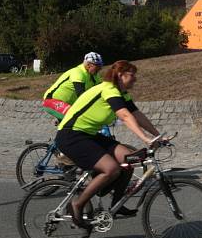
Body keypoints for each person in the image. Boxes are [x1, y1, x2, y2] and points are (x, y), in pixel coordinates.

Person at [55, 60, 161, 227]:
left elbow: (136, 114)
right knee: (111, 168)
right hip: (71, 135)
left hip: (89, 135)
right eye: (132, 75)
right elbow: (125, 116)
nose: (135, 79)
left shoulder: (121, 93)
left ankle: (116, 205)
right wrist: (145, 139)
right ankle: (77, 204)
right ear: (120, 75)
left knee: (129, 159)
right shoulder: (108, 89)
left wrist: (157, 135)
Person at [42, 52, 104, 121]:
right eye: (97, 67)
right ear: (88, 64)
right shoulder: (78, 72)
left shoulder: (95, 76)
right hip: (51, 100)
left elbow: (102, 91)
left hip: (68, 105)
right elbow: (81, 95)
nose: (99, 69)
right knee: (77, 119)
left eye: (100, 66)